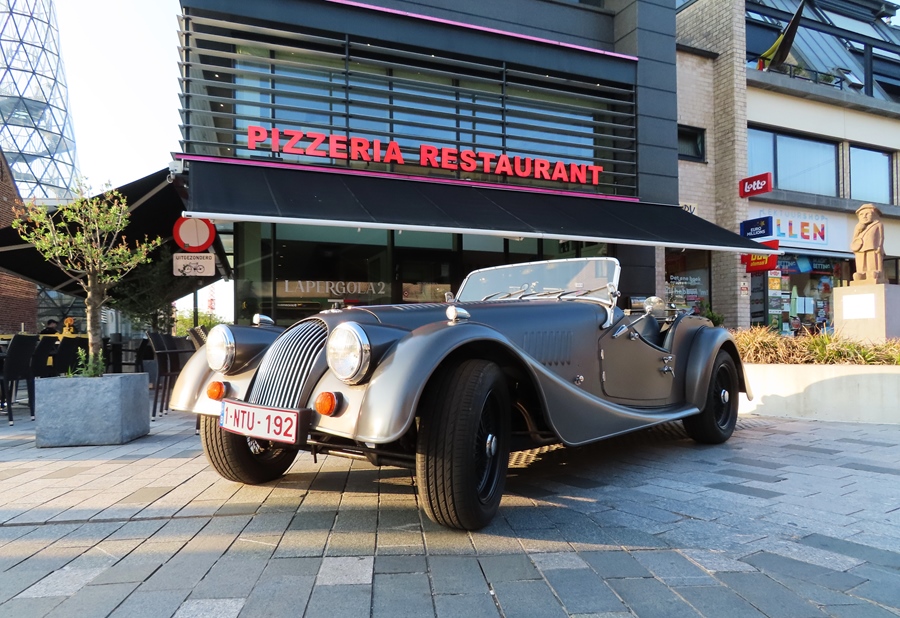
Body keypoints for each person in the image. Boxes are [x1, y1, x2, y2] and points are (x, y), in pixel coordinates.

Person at [851, 203, 886, 284]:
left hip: (872, 246)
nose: (864, 216)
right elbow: (854, 238)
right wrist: (859, 230)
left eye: (867, 214)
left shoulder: (878, 224)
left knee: (872, 259)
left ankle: (874, 272)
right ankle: (861, 273)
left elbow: (881, 237)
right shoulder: (858, 226)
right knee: (860, 260)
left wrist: (880, 246)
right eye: (861, 214)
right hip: (860, 247)